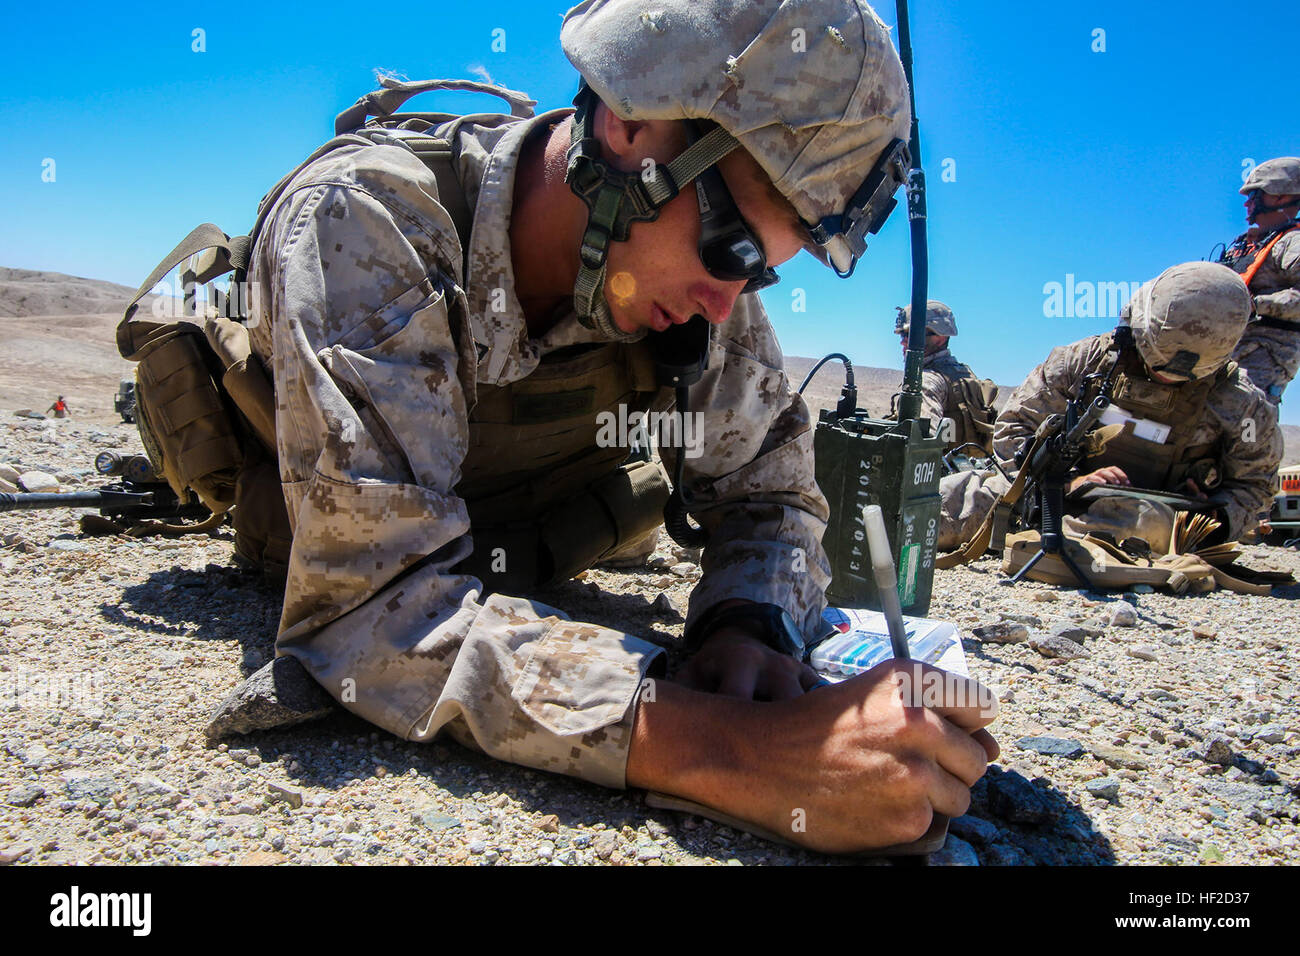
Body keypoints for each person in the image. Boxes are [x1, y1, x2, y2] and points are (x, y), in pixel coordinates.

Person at [243, 0, 997, 853]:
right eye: (735, 251)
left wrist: (746, 626)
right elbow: (370, 617)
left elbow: (775, 501)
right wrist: (740, 753)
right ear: (632, 127)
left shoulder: (695, 293)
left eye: (761, 277)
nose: (726, 301)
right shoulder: (364, 218)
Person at [939, 261, 1283, 553]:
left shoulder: (1243, 406)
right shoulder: (1082, 362)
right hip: (1045, 496)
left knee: (1142, 525)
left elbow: (1254, 487)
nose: (1164, 380)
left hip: (1151, 521)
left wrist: (1208, 516)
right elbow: (1015, 429)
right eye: (1153, 363)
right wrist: (1071, 481)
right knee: (940, 504)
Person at [1217, 156, 1300, 405]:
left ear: (1280, 197)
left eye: (1254, 195)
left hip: (1263, 354)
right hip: (1223, 347)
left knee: (1236, 418)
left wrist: (1255, 304)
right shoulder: (1245, 244)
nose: (1247, 204)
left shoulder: (1293, 242)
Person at [889, 300, 996, 454]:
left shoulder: (924, 382)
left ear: (940, 337)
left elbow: (923, 447)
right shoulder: (965, 374)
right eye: (902, 336)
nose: (903, 342)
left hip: (941, 475)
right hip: (968, 472)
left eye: (910, 334)